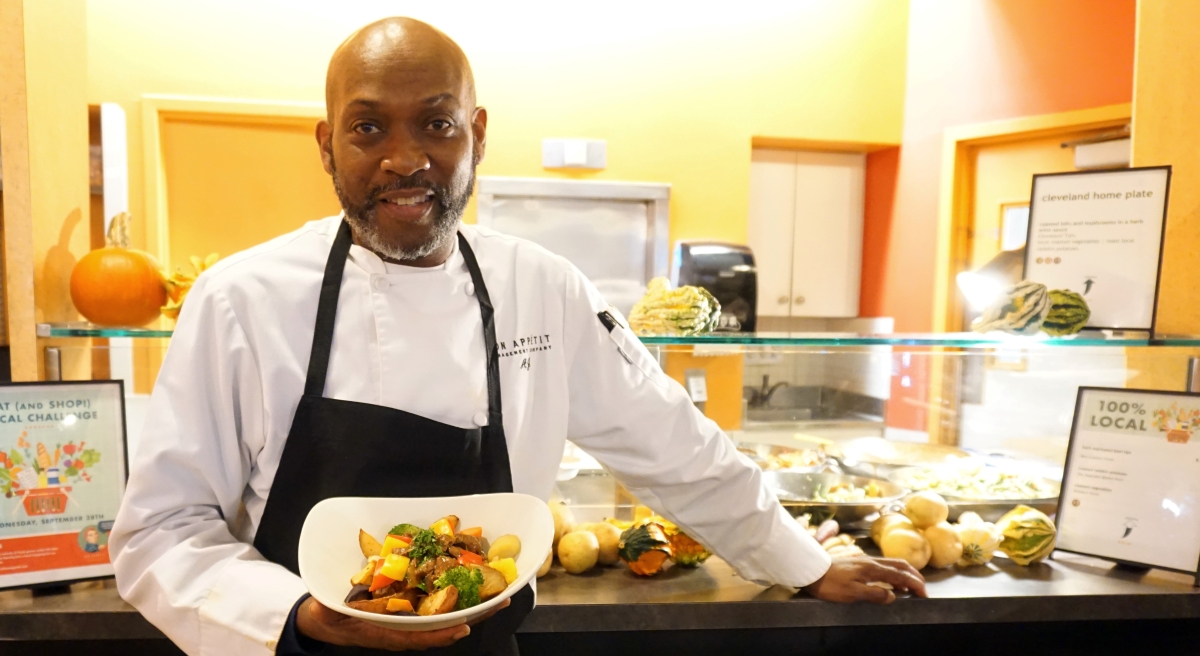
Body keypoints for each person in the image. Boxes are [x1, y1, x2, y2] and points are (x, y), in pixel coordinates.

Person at [110, 17, 925, 656]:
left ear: (477, 134)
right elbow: (161, 530)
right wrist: (294, 615)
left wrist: (806, 562)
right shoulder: (240, 301)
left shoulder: (542, 288)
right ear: (326, 144)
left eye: (436, 123)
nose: (405, 158)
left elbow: (674, 446)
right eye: (367, 130)